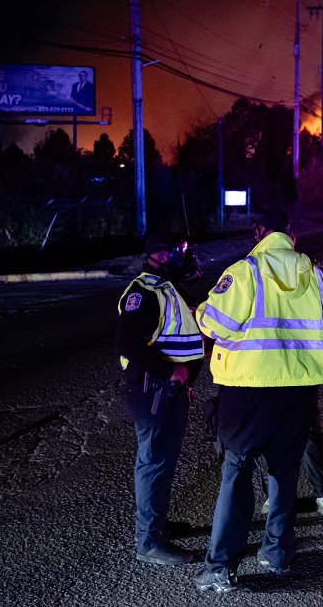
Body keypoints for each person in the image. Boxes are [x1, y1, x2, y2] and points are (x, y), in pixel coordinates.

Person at [193, 207, 323, 594]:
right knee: (284, 474)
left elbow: (213, 322)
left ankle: (221, 566)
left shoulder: (247, 271)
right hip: (297, 392)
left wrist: (201, 309)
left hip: (248, 393)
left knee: (237, 473)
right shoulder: (314, 273)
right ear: (292, 235)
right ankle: (277, 553)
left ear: (259, 232)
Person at [114, 231, 205, 566]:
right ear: (157, 255)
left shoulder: (166, 288)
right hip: (152, 388)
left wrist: (185, 378)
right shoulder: (144, 291)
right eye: (175, 251)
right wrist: (171, 373)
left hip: (168, 389)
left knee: (163, 462)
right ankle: (149, 542)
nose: (182, 257)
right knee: (153, 463)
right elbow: (126, 342)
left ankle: (158, 525)